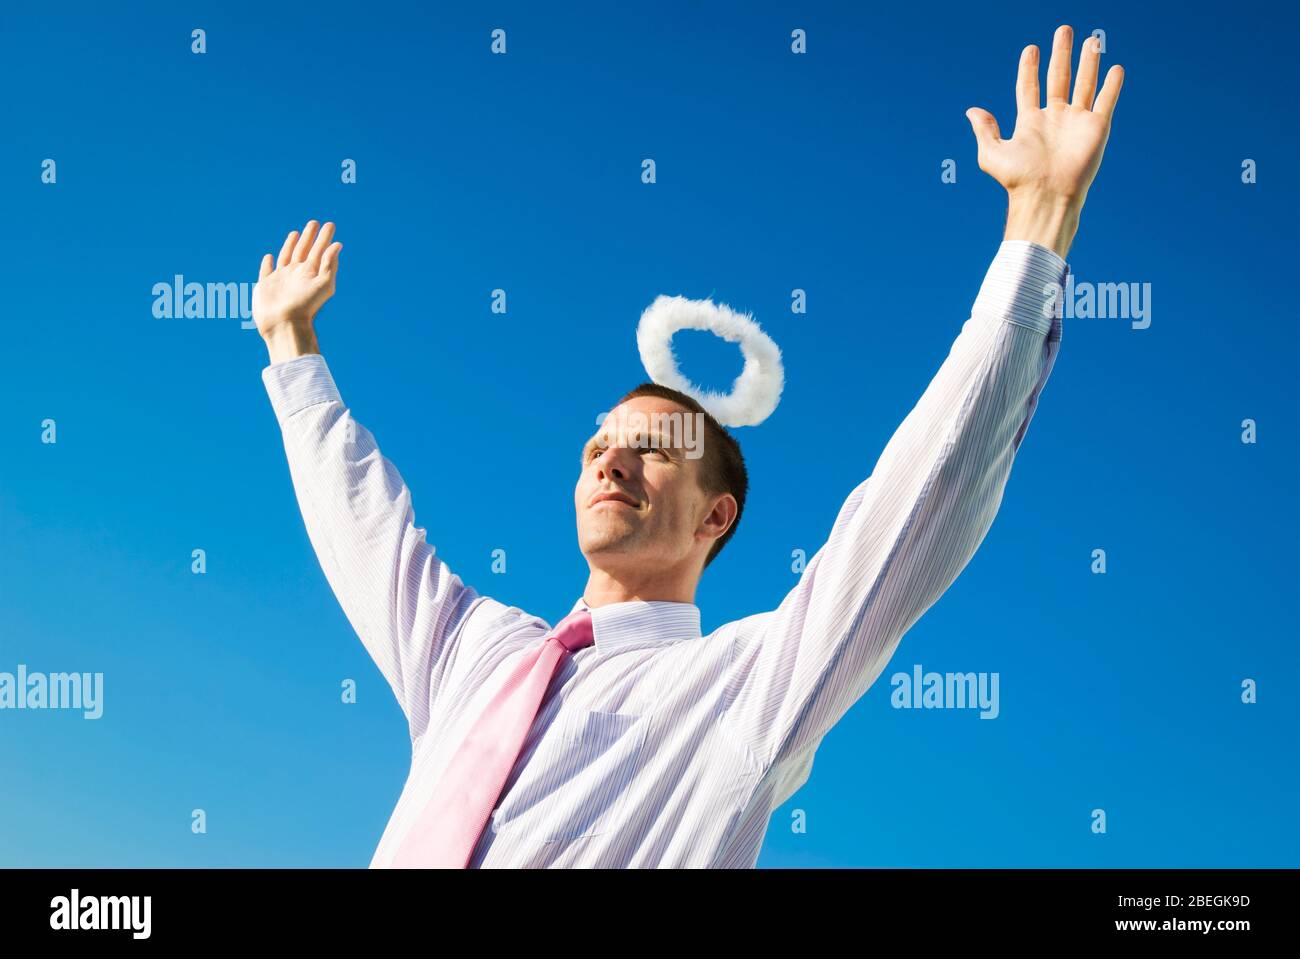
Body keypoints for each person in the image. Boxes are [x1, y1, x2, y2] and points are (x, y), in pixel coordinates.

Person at [251, 24, 1123, 868]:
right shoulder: (473, 650)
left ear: (718, 514)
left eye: (653, 448)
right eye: (600, 443)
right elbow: (364, 522)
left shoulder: (739, 692)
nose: (610, 459)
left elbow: (907, 514)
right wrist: (292, 346)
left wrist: (1036, 234)